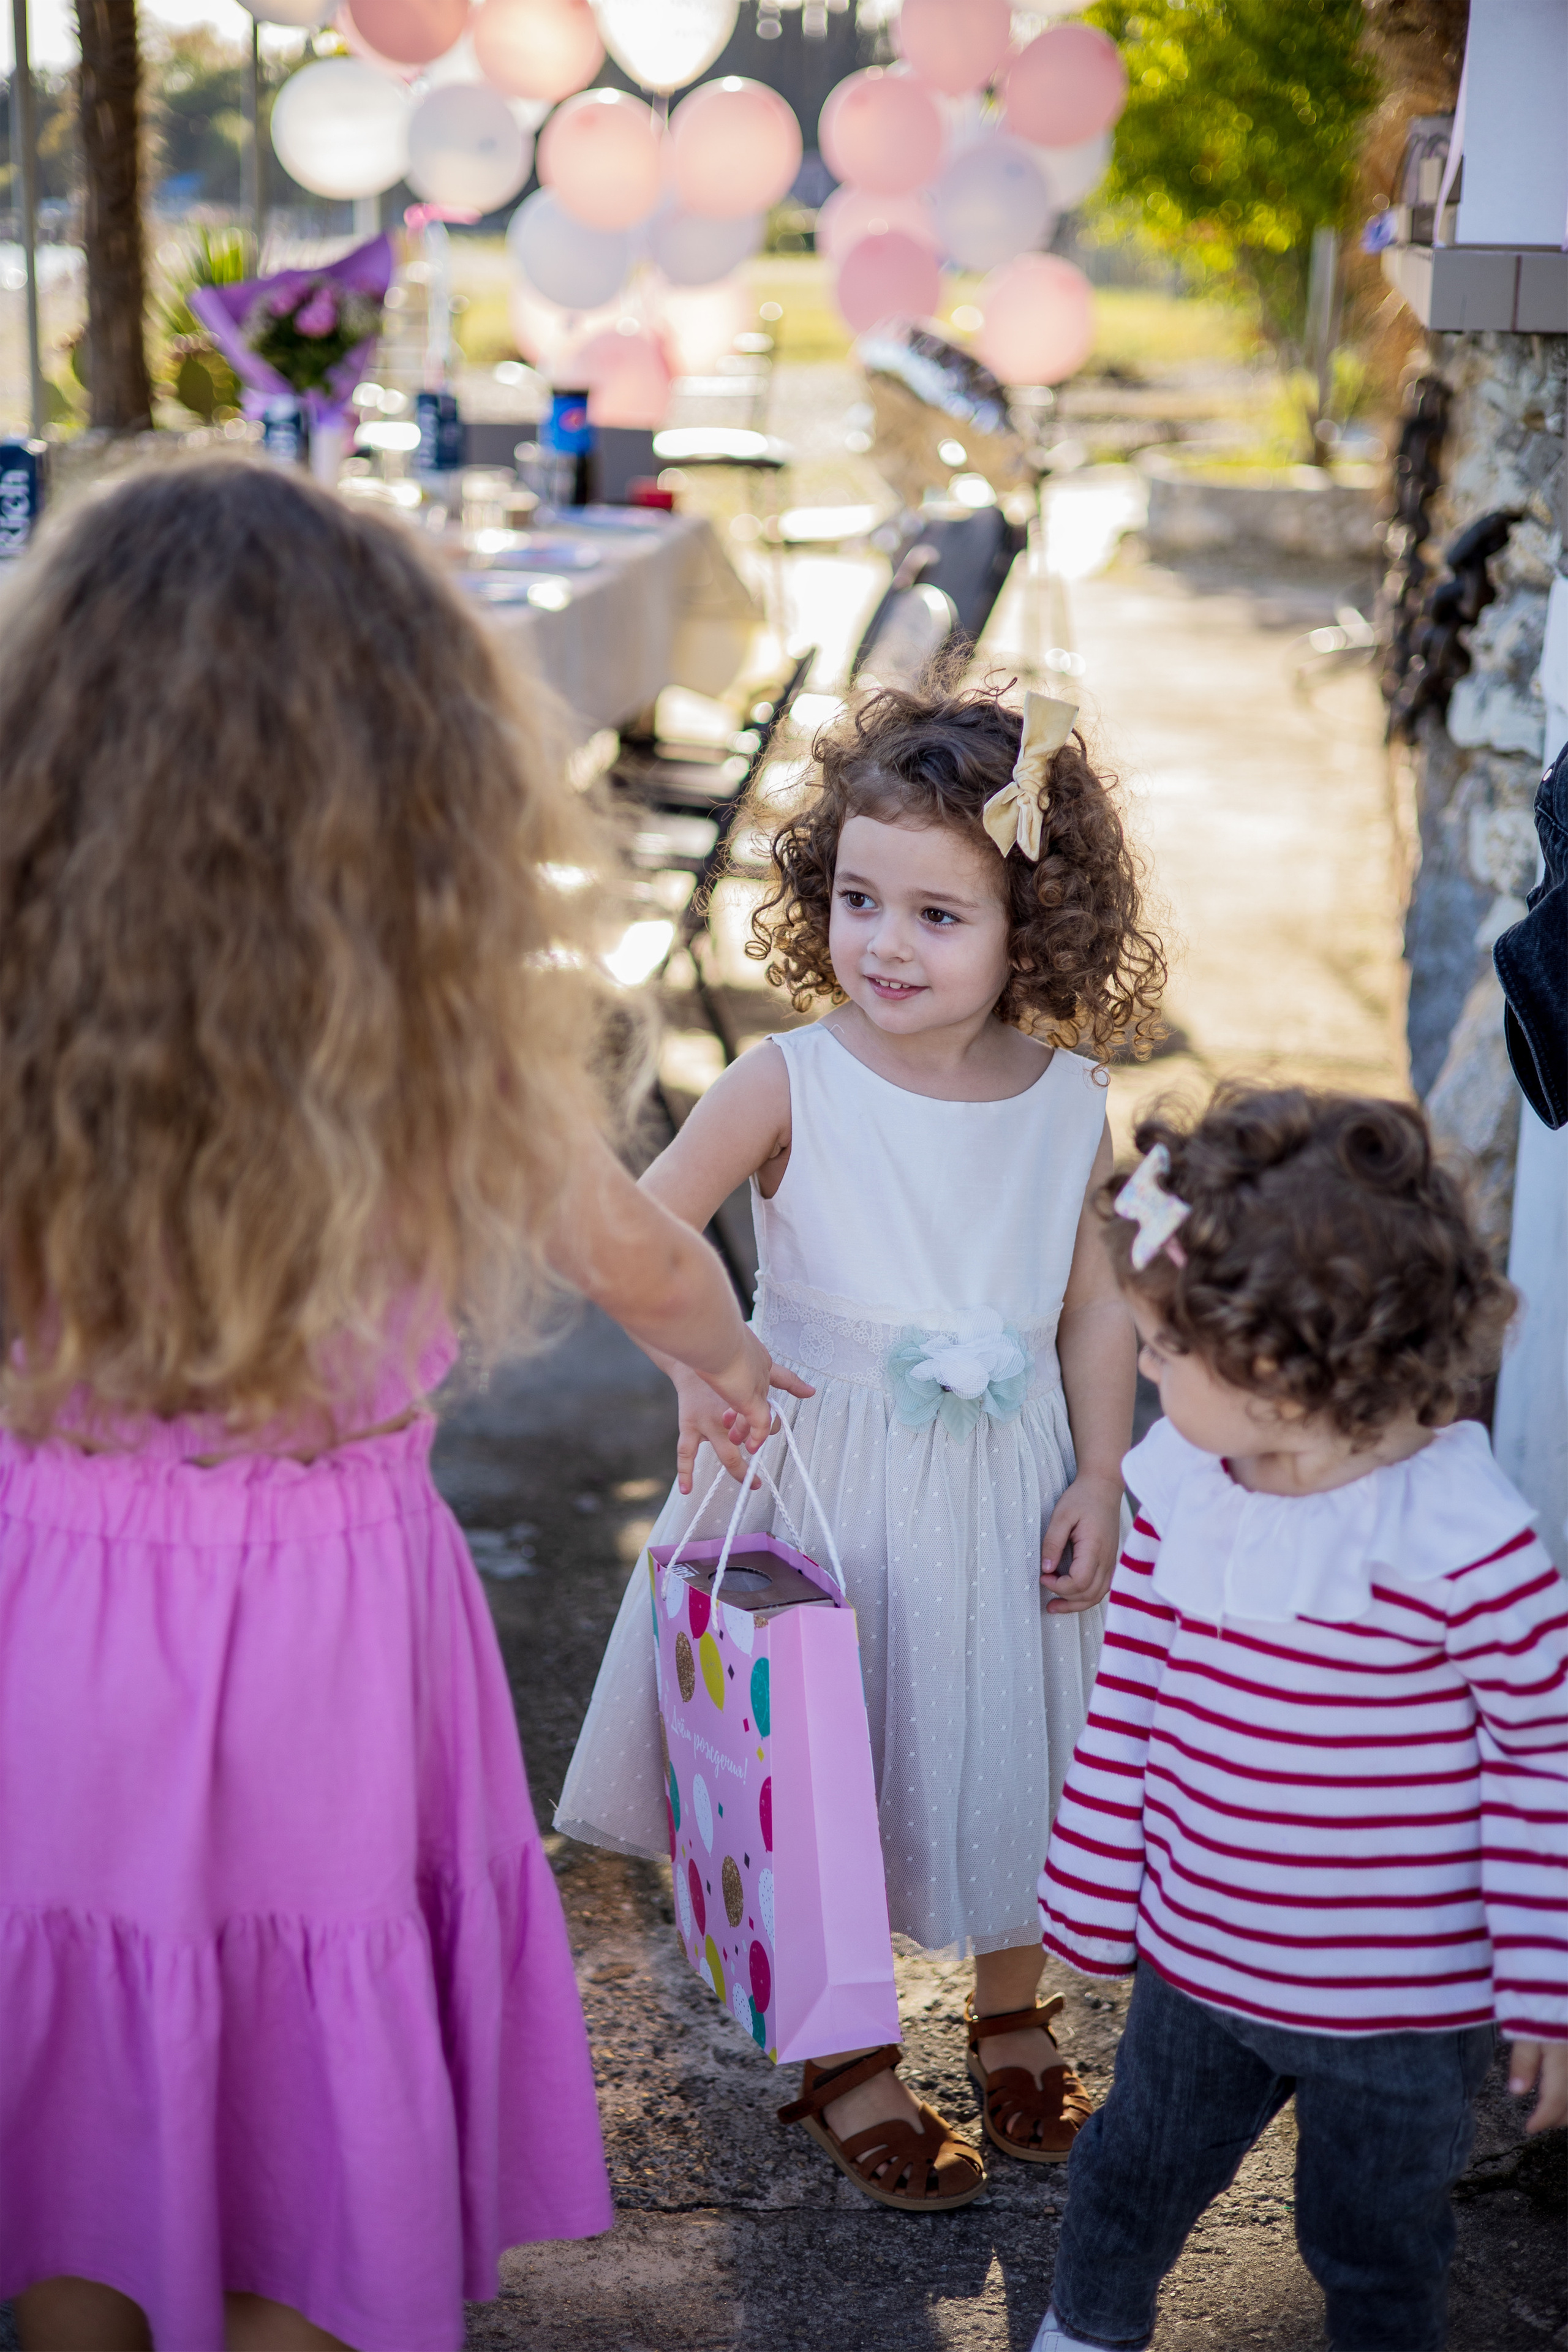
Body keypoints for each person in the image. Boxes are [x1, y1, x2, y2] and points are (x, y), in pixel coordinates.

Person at [0, 461, 795, 2352]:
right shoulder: (446, 1054)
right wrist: (723, 1363)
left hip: (57, 1629)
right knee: (315, 2078)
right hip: (330, 1644)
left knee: (80, 2073)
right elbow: (655, 1264)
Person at [557, 677, 1166, 2207]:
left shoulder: (1066, 1103)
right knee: (821, 1764)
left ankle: (1013, 2008)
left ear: (1034, 931)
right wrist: (703, 1367)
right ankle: (840, 2050)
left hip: (1008, 1487)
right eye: (856, 899)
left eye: (937, 916)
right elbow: (634, 1237)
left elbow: (1092, 1304)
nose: (884, 944)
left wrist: (1099, 1470)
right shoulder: (789, 1081)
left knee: (1014, 1745)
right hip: (820, 1488)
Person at [1033, 1086, 1568, 2352]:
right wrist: (1089, 1892)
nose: (1143, 1374)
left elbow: (1538, 1764)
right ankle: (1084, 2332)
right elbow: (1132, 1700)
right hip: (1195, 1968)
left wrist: (1543, 1989)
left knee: (1376, 2246)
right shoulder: (1177, 1488)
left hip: (1399, 2006)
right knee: (1125, 2181)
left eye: (1163, 1351)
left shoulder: (1464, 1543)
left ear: (1274, 1373)